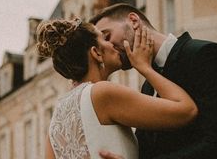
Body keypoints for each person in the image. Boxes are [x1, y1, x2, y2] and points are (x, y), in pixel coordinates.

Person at [90, 3, 217, 159]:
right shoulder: (148, 86)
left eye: (107, 36)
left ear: (134, 21)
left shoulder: (207, 55)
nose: (107, 47)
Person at [36, 17, 198, 159]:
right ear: (96, 53)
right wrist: (145, 68)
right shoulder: (102, 93)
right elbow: (186, 110)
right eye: (105, 39)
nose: (112, 45)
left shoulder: (55, 122)